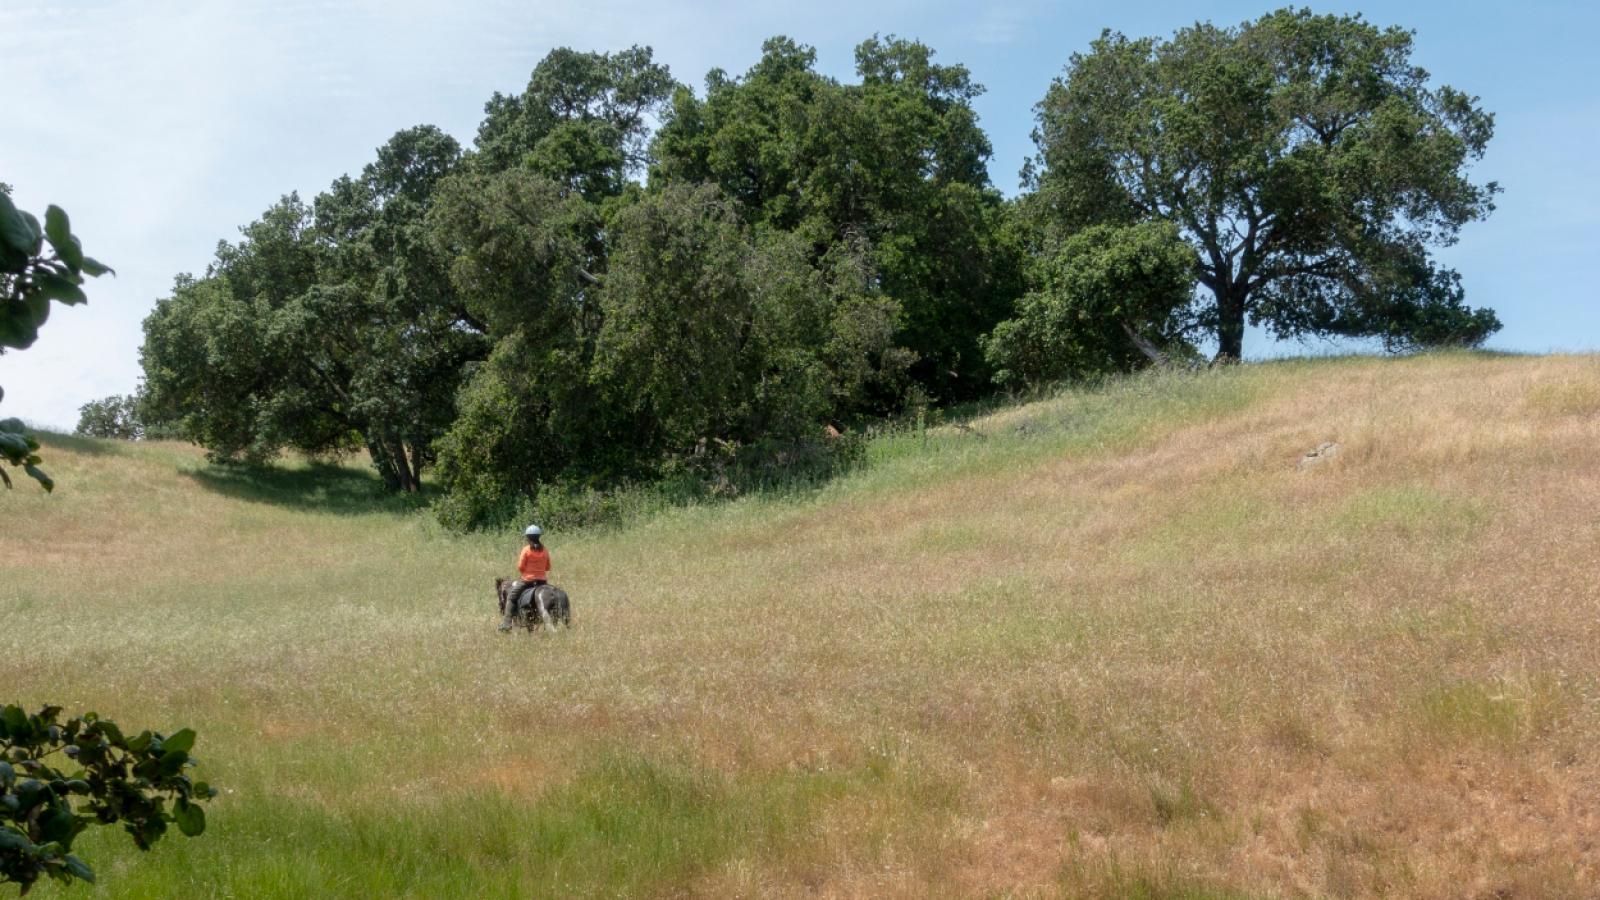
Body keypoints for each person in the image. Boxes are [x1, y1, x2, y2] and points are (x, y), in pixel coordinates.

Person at [500, 525, 552, 631]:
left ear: (528, 537)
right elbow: (548, 567)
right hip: (542, 582)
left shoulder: (526, 550)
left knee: (511, 597)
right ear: (538, 537)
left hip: (527, 581)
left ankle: (506, 624)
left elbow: (520, 566)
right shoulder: (545, 550)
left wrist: (528, 573)